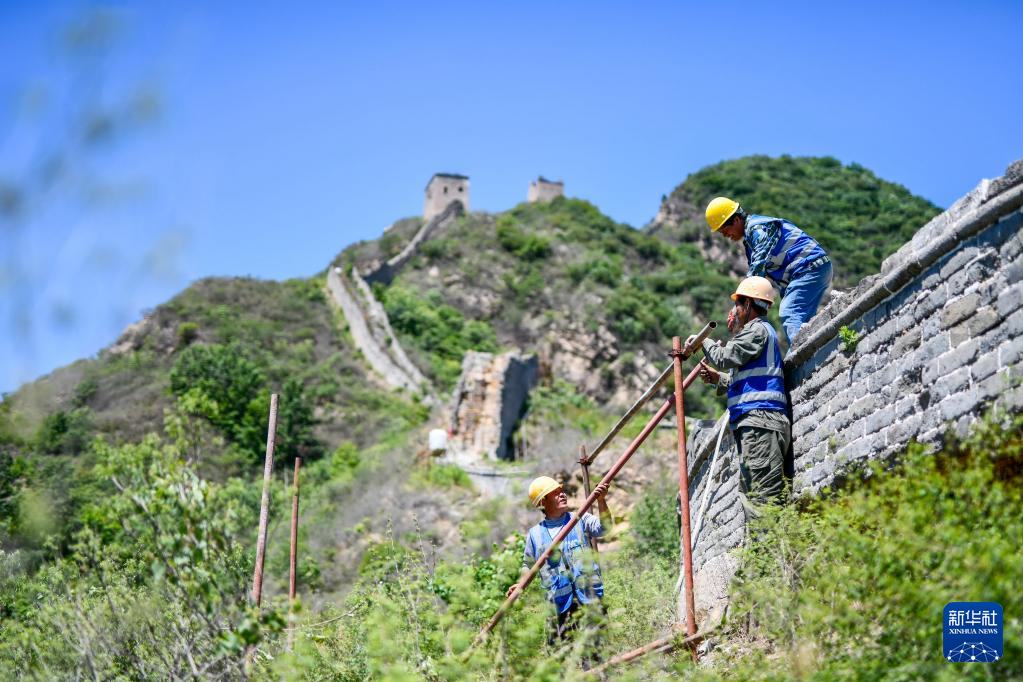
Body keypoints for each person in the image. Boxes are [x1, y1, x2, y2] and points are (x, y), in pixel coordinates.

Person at [687, 276, 791, 508]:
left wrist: (702, 341)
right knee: (756, 496)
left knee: (761, 501)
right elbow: (747, 380)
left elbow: (724, 357)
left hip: (760, 420)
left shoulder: (757, 330)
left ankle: (768, 534)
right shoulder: (756, 333)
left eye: (737, 304)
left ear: (748, 304)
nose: (733, 311)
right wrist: (718, 379)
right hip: (758, 421)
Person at [705, 197, 833, 345]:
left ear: (736, 220)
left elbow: (757, 269)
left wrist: (738, 306)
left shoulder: (758, 229)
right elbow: (758, 283)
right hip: (808, 270)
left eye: (725, 230)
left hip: (809, 267)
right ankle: (816, 349)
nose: (725, 235)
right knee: (803, 322)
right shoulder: (750, 241)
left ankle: (804, 353)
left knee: (790, 313)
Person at [507, 476, 612, 645]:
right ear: (543, 502)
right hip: (559, 606)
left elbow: (604, 528)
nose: (562, 494)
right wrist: (520, 584)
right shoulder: (535, 535)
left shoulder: (579, 519)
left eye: (561, 491)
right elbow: (528, 564)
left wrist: (601, 501)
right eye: (555, 493)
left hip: (589, 597)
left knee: (597, 651)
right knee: (562, 655)